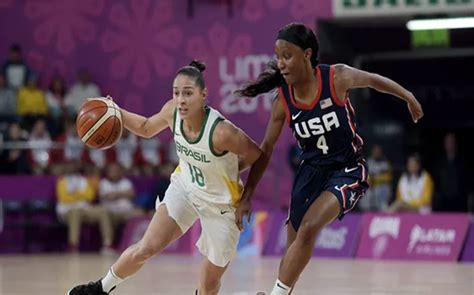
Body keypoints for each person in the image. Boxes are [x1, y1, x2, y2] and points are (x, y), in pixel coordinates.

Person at [234, 23, 424, 295]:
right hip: (310, 171)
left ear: (307, 54)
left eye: (287, 55)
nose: (281, 63)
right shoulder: (283, 101)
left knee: (310, 227)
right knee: (293, 248)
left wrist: (407, 96)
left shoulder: (337, 78)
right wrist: (248, 194)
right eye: (278, 57)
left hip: (347, 168)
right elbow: (266, 149)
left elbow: (373, 79)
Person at [68, 60, 262, 295]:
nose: (181, 99)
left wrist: (246, 196)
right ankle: (99, 289)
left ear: (203, 95)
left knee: (209, 286)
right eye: (177, 93)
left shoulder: (222, 133)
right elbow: (146, 127)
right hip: (186, 188)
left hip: (220, 205)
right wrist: (115, 110)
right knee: (146, 248)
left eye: (188, 93)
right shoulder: (173, 111)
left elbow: (257, 155)